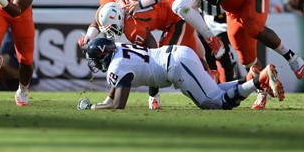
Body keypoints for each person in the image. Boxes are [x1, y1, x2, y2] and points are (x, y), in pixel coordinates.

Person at [79, 0, 207, 109]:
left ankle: (155, 97)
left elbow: (153, 49)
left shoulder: (133, 29)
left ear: (118, 19)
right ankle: (211, 75)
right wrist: (89, 35)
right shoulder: (110, 1)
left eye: (111, 29)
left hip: (178, 20)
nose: (110, 34)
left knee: (167, 62)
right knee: (194, 59)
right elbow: (98, 20)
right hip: (169, 12)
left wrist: (153, 92)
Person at [77, 38, 285, 110]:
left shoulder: (117, 67)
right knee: (215, 91)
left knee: (213, 103)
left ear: (103, 56)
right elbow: (112, 96)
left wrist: (93, 107)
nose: (94, 64)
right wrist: (103, 102)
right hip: (177, 55)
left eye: (95, 59)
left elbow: (117, 105)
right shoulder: (119, 49)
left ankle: (259, 81)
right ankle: (255, 79)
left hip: (174, 65)